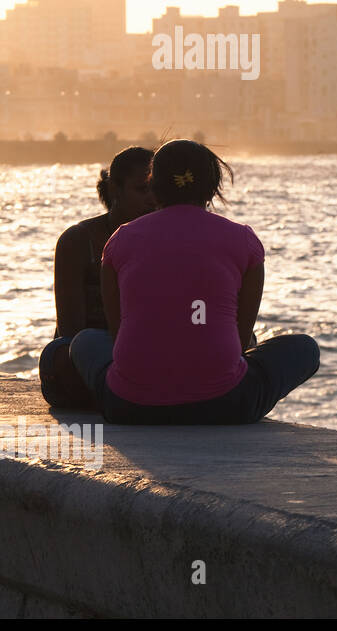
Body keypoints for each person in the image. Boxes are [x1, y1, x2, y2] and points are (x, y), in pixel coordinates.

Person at [68, 139, 319, 424]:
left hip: (129, 406)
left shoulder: (120, 239)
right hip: (226, 405)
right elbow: (239, 340)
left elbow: (117, 333)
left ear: (155, 186)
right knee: (305, 348)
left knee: (85, 341)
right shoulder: (244, 240)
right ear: (212, 187)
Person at [39, 146, 155, 409]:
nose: (151, 200)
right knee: (67, 351)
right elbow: (71, 329)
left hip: (143, 354)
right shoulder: (79, 240)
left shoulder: (166, 239)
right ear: (115, 189)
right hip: (90, 354)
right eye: (141, 189)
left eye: (155, 190)